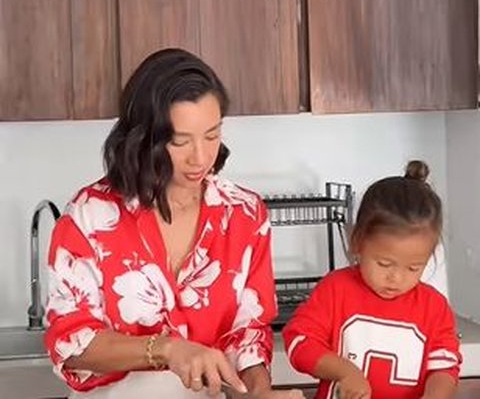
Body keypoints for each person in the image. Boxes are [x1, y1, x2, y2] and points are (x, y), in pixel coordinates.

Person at [45, 48, 304, 399]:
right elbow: (70, 343)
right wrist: (167, 349)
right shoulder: (89, 215)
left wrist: (257, 392)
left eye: (212, 135)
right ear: (144, 137)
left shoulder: (244, 213)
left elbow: (249, 332)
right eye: (180, 141)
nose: (200, 157)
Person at [282, 160, 461, 399]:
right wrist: (344, 372)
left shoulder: (434, 307)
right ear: (358, 242)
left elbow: (444, 369)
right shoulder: (336, 290)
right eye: (384, 264)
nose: (396, 278)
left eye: (414, 268)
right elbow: (299, 343)